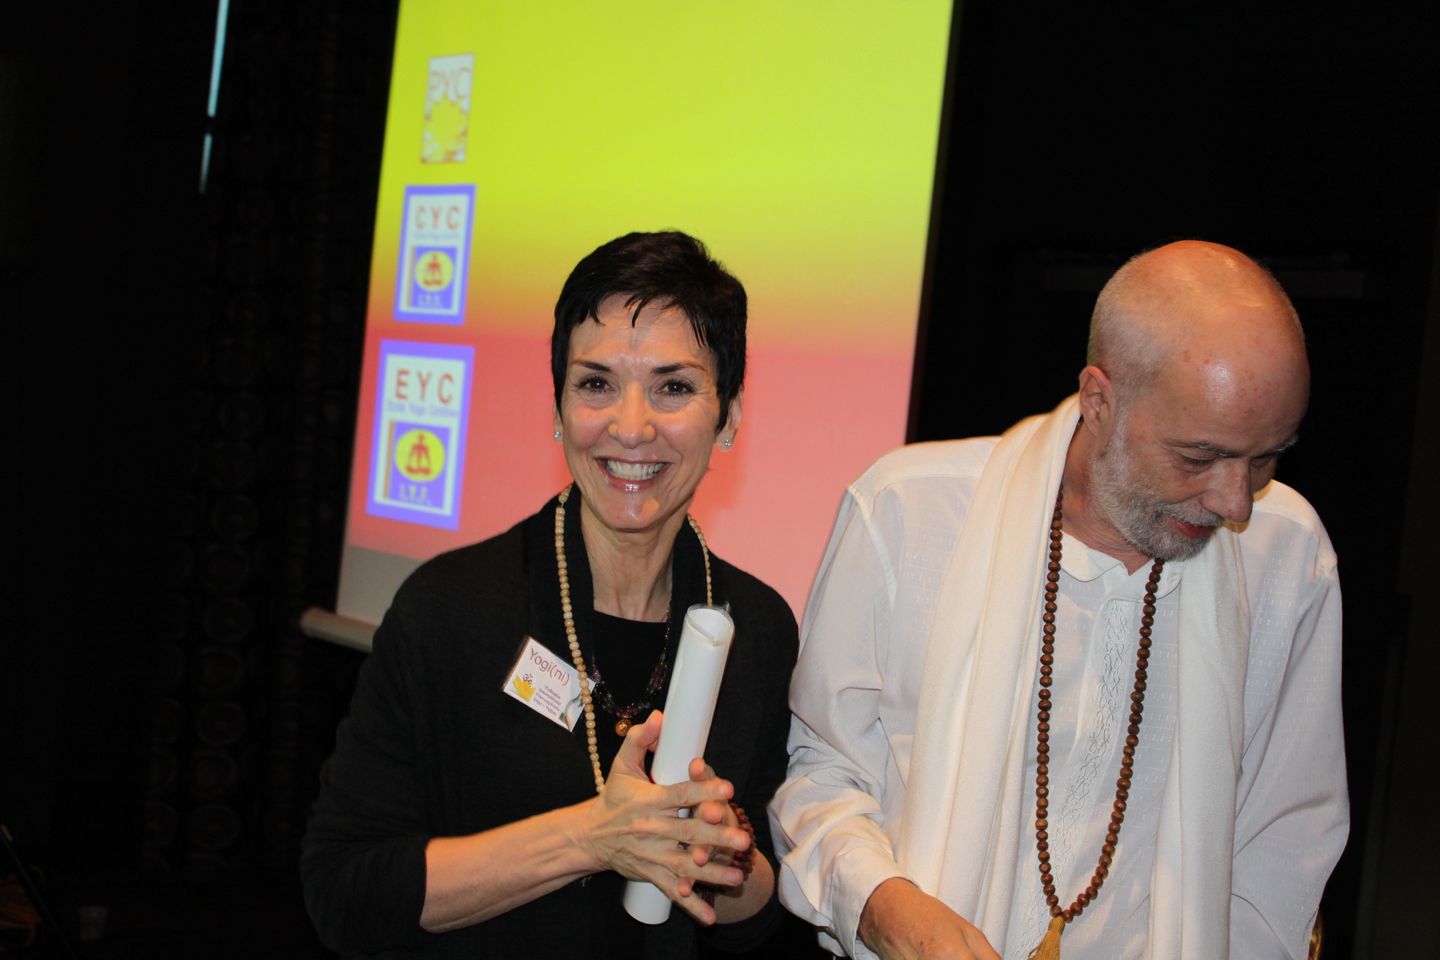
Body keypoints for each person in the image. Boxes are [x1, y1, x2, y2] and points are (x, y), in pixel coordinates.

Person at [769, 240, 1347, 960]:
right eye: (1198, 457)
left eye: (1265, 458)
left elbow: (1284, 845)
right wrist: (885, 908)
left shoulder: (1290, 556)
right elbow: (824, 774)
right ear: (1099, 399)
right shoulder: (909, 510)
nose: (1235, 502)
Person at [303, 231, 798, 958]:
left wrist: (722, 852)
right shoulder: (451, 609)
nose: (631, 427)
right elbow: (345, 892)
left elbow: (763, 920)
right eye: (596, 384)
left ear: (729, 416)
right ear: (558, 409)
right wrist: (594, 838)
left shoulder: (756, 628)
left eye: (674, 387)